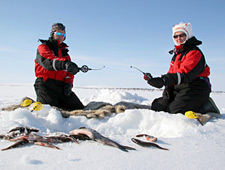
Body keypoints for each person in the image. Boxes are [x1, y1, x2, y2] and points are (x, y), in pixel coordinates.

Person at [145, 22, 220, 114]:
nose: (178, 38)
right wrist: (160, 82)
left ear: (188, 35)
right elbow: (172, 74)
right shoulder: (177, 54)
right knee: (158, 106)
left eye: (182, 35)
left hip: (196, 87)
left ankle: (206, 106)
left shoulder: (194, 52)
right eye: (175, 36)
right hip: (181, 87)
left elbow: (185, 74)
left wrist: (164, 80)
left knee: (174, 110)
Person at [34, 23, 84, 111]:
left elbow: (69, 74)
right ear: (52, 33)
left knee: (78, 107)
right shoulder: (43, 47)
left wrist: (68, 85)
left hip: (61, 86)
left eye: (63, 34)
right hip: (46, 84)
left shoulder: (66, 54)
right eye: (58, 33)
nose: (61, 36)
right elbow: (48, 61)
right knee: (51, 111)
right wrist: (65, 64)